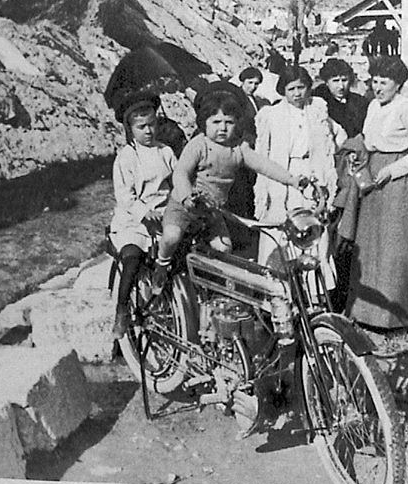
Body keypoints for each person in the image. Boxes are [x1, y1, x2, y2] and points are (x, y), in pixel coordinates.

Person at [153, 84, 304, 290]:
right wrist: (187, 196)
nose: (222, 128)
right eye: (216, 122)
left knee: (224, 249)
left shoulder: (238, 149)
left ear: (237, 124)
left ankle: (212, 290)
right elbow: (181, 172)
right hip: (184, 206)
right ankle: (160, 265)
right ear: (203, 122)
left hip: (212, 211)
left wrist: (292, 179)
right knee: (171, 237)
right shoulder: (199, 144)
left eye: (229, 122)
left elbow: (264, 165)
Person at [345, 56, 408, 330]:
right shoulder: (372, 106)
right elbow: (369, 141)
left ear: (399, 84)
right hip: (372, 176)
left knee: (394, 246)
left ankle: (397, 315)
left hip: (396, 182)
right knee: (370, 245)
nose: (377, 87)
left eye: (384, 82)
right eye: (374, 81)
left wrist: (394, 170)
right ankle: (366, 313)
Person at [254, 66, 346, 285]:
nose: (297, 94)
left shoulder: (317, 111)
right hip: (282, 179)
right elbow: (262, 154)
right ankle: (281, 291)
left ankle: (313, 293)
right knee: (283, 233)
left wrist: (333, 162)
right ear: (283, 90)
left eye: (302, 88)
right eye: (291, 89)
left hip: (311, 176)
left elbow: (337, 135)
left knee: (312, 231)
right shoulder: (271, 115)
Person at [109, 97, 177, 338]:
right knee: (132, 256)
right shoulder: (127, 157)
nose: (148, 131)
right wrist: (143, 211)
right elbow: (125, 195)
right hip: (135, 220)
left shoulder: (165, 151)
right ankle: (122, 309)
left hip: (163, 215)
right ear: (131, 130)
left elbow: (176, 182)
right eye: (141, 127)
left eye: (152, 124)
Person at [312, 58, 369, 139]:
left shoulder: (360, 102)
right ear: (327, 82)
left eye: (344, 80)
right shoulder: (319, 103)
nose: (341, 86)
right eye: (335, 81)